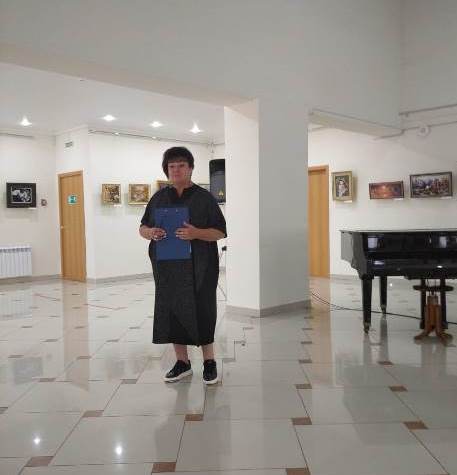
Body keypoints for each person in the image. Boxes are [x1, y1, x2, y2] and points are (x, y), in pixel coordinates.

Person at [139, 147, 226, 385]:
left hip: (201, 267)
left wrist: (196, 233)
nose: (176, 170)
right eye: (171, 166)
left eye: (181, 165)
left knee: (203, 310)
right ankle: (182, 362)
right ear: (166, 170)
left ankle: (209, 362)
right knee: (172, 311)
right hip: (167, 267)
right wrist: (151, 232)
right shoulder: (159, 198)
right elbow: (142, 227)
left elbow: (220, 232)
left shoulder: (204, 198)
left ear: (190, 168)